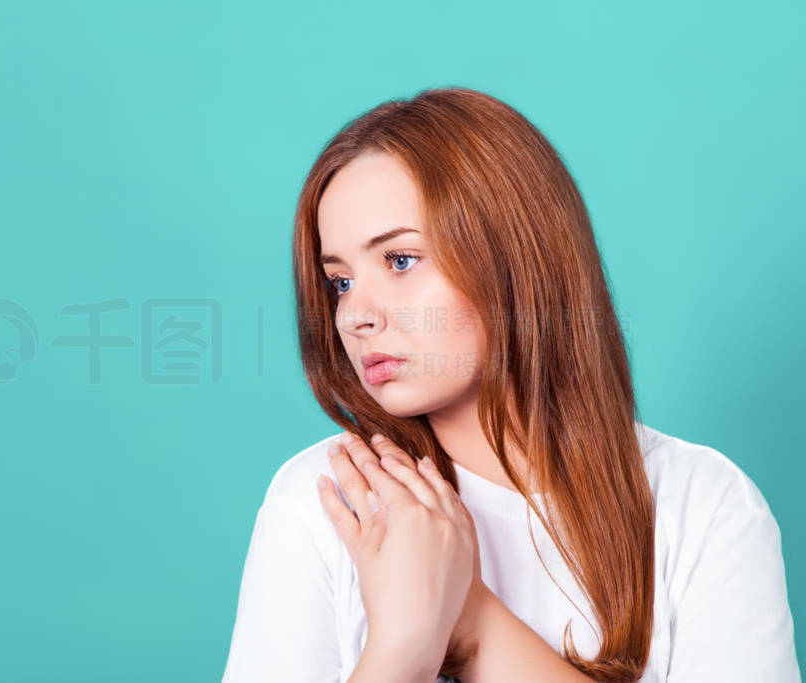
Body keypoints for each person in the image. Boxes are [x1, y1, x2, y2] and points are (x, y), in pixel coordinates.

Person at [221, 87, 800, 682]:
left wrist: (473, 623)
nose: (353, 316)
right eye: (339, 281)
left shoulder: (705, 507)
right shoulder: (328, 504)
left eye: (399, 260)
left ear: (515, 258)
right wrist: (401, 648)